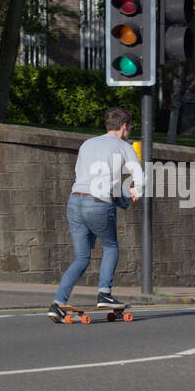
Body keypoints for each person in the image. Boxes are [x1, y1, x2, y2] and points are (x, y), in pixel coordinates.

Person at [50, 107, 145, 319]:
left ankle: (57, 303)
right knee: (111, 247)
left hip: (75, 201)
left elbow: (79, 173)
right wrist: (135, 190)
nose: (129, 131)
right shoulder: (123, 146)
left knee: (81, 258)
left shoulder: (87, 143)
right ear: (123, 126)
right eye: (129, 127)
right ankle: (104, 294)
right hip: (98, 204)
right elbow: (138, 173)